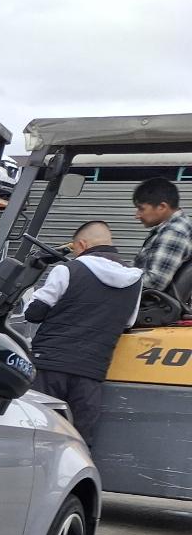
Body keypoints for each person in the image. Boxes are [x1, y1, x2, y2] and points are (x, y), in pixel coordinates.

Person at [23, 220, 142, 447]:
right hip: (91, 374)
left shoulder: (68, 269)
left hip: (49, 368)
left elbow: (34, 314)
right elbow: (128, 322)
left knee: (38, 437)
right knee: (78, 444)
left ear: (82, 244)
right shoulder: (134, 279)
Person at [132, 177, 192, 293]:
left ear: (162, 207)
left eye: (141, 209)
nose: (137, 215)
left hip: (150, 304)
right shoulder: (168, 228)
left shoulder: (174, 231)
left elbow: (155, 282)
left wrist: (118, 279)